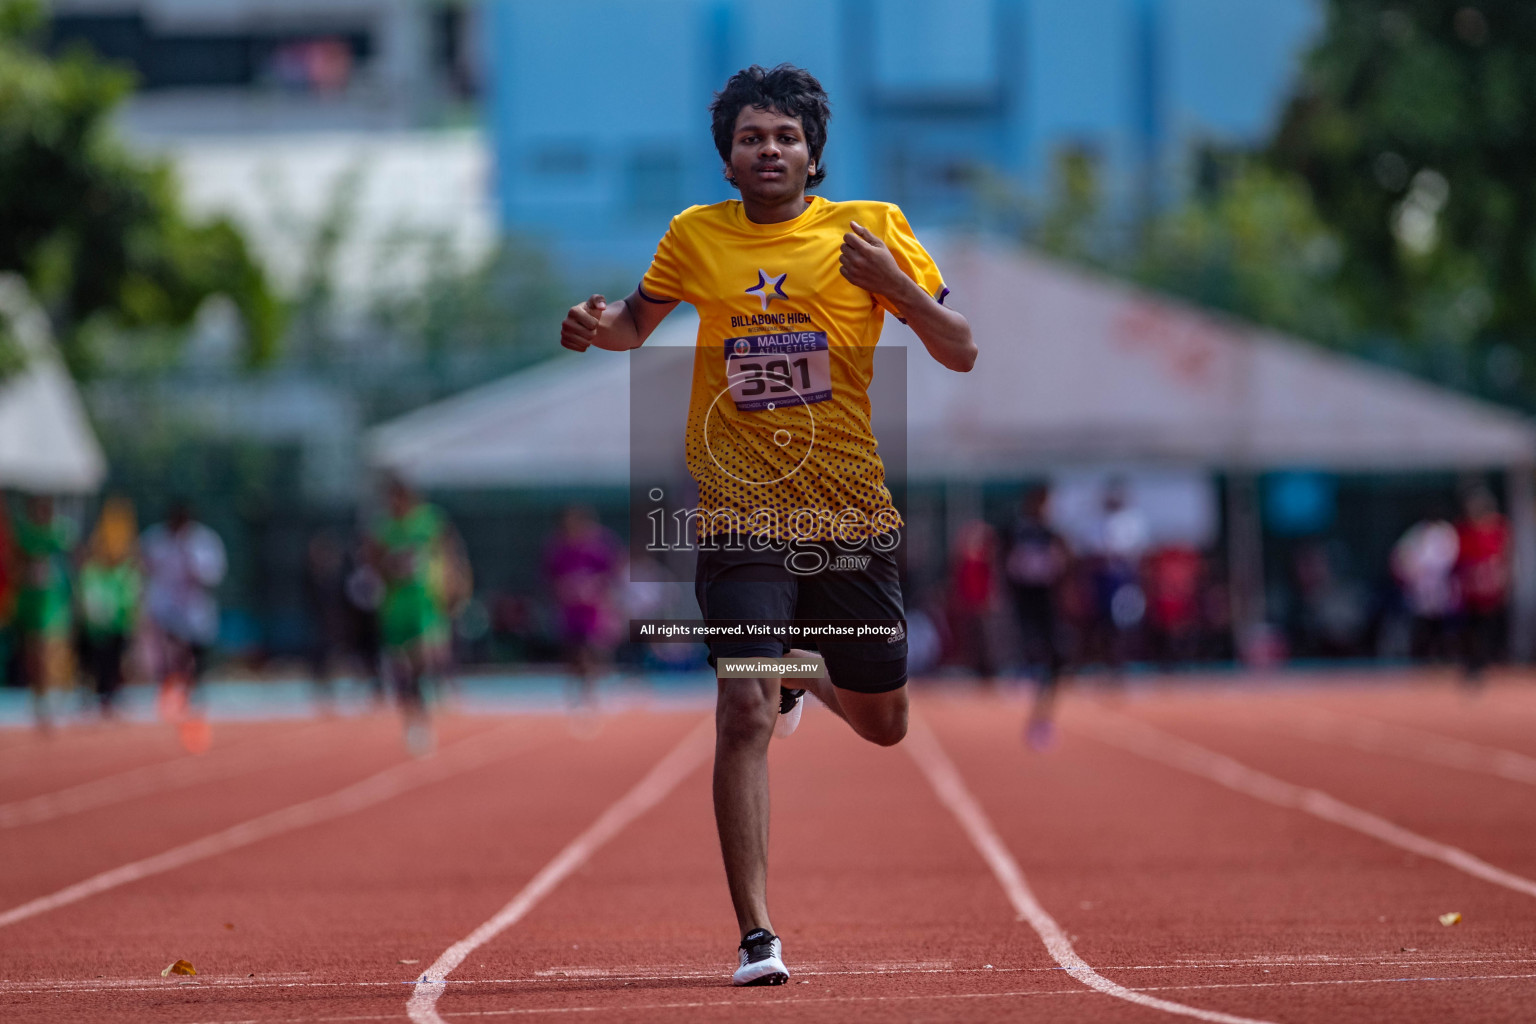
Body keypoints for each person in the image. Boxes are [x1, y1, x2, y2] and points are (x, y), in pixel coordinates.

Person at [559, 64, 975, 986]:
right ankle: (758, 936)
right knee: (740, 707)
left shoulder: (872, 229)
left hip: (850, 510)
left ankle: (804, 677)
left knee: (887, 722)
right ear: (728, 159)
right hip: (742, 510)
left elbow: (961, 350)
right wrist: (595, 326)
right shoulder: (694, 237)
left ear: (813, 152)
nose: (770, 150)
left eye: (786, 136)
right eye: (752, 137)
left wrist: (895, 288)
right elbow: (636, 322)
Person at [367, 476, 467, 754]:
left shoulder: (429, 521)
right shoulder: (384, 529)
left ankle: (425, 708)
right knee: (402, 671)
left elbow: (449, 549)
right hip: (395, 606)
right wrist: (389, 567)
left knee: (425, 658)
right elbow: (372, 561)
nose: (396, 504)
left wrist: (454, 579)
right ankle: (412, 717)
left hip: (425, 603)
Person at [141, 500, 226, 751]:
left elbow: (212, 575)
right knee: (169, 653)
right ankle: (170, 694)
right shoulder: (155, 539)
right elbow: (142, 565)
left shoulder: (203, 541)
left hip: (194, 610)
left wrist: (192, 562)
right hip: (166, 608)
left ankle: (190, 694)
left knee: (193, 656)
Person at [1003, 486, 1070, 749]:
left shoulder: (1052, 534)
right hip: (1024, 601)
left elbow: (1062, 566)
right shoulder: (1018, 531)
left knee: (1057, 656)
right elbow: (1008, 564)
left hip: (1046, 602)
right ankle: (1026, 688)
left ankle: (1042, 714)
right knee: (1030, 649)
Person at [543, 506, 624, 709]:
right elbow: (549, 578)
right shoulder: (559, 550)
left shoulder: (600, 548)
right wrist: (564, 589)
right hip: (570, 611)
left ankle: (591, 690)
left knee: (592, 650)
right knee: (573, 651)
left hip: (594, 611)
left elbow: (615, 574)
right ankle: (576, 688)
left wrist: (595, 588)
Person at [14, 495, 77, 731]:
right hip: (31, 602)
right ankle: (39, 698)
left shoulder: (60, 534)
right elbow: (17, 565)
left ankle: (52, 697)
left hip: (54, 603)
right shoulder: (25, 535)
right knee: (34, 654)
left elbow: (71, 563)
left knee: (51, 651)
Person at [77, 496, 141, 717]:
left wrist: (130, 615)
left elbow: (131, 593)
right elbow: (86, 592)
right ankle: (97, 695)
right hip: (96, 626)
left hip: (117, 624)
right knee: (97, 662)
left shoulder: (123, 570)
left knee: (114, 662)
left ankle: (110, 696)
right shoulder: (93, 570)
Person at [1455, 486, 1509, 681]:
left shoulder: (1498, 528)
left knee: (1489, 628)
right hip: (1471, 590)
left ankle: (1484, 662)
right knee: (1471, 629)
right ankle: (1472, 663)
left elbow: (1504, 556)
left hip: (1491, 590)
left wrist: (1504, 580)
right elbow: (1460, 559)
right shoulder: (1464, 529)